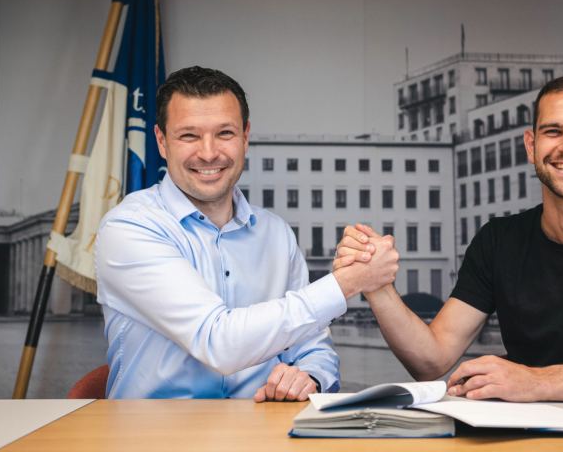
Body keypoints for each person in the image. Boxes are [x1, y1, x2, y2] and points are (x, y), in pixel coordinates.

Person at [333, 74, 563, 402]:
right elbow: (431, 360)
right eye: (553, 131)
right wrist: (377, 285)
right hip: (533, 441)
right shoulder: (499, 241)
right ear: (531, 145)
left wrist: (538, 382)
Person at [95, 66, 398, 399]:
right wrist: (351, 281)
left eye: (224, 133)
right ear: (162, 142)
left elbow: (313, 347)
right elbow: (217, 341)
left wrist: (309, 377)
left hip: (263, 438)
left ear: (245, 137)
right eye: (189, 135)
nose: (209, 152)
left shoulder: (277, 234)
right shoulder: (129, 228)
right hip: (155, 443)